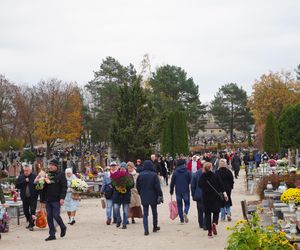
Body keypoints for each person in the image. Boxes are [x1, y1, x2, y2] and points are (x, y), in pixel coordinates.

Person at [199, 162, 228, 238]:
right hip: (215, 197)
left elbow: (199, 185)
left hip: (206, 198)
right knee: (216, 212)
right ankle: (214, 223)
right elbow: (221, 185)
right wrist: (225, 194)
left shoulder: (203, 176)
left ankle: (209, 232)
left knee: (207, 215)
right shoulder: (215, 175)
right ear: (211, 168)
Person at [41, 159, 67, 241]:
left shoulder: (61, 174)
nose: (50, 167)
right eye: (49, 165)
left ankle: (62, 226)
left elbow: (64, 187)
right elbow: (43, 188)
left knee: (56, 215)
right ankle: (52, 234)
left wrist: (62, 198)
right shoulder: (46, 175)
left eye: (52, 165)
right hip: (48, 199)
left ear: (56, 166)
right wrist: (42, 199)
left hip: (56, 199)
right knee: (49, 217)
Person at [136, 160, 163, 236]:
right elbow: (157, 187)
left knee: (145, 213)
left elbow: (137, 186)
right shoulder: (154, 175)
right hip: (153, 195)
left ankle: (146, 230)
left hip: (144, 195)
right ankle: (155, 226)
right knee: (154, 212)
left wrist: (140, 193)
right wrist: (160, 195)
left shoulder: (140, 175)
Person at [16, 163, 38, 231]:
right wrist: (25, 181)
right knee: (25, 211)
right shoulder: (21, 177)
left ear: (30, 170)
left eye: (27, 170)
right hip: (24, 197)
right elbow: (17, 185)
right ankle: (30, 222)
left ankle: (31, 225)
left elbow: (39, 186)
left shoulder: (35, 176)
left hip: (33, 197)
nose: (25, 172)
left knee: (32, 211)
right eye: (24, 170)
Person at [112, 162, 134, 229]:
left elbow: (132, 184)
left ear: (126, 169)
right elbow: (112, 183)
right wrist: (117, 186)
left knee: (125, 210)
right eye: (121, 168)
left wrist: (126, 186)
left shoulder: (129, 175)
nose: (122, 169)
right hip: (117, 195)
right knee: (116, 208)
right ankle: (119, 220)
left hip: (126, 195)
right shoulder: (115, 174)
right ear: (119, 168)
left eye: (124, 168)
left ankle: (124, 224)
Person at [170, 159, 191, 224]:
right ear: (184, 164)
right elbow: (190, 181)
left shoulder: (175, 172)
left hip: (178, 190)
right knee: (187, 203)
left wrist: (171, 190)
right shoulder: (187, 171)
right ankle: (185, 212)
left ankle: (181, 220)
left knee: (179, 205)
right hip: (185, 190)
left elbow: (172, 182)